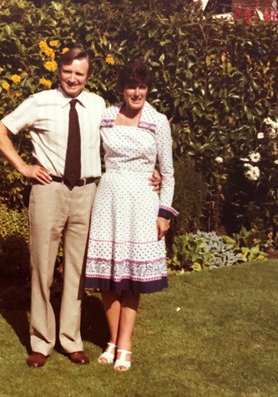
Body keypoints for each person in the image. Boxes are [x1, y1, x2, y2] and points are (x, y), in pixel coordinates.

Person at [0, 47, 160, 368]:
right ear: (60, 71)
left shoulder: (98, 106)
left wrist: (149, 168)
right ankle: (41, 342)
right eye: (68, 72)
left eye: (79, 73)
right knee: (42, 268)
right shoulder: (40, 102)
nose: (73, 78)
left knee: (77, 271)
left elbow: (125, 135)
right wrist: (23, 166)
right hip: (48, 189)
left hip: (86, 193)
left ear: (87, 75)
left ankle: (71, 340)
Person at [85, 60, 178, 372]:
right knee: (107, 279)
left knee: (133, 280)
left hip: (142, 204)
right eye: (131, 86)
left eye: (142, 86)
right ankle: (112, 341)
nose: (136, 92)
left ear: (147, 88)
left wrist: (164, 213)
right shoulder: (107, 117)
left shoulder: (157, 121)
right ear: (122, 89)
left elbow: (168, 172)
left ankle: (125, 344)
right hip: (108, 201)